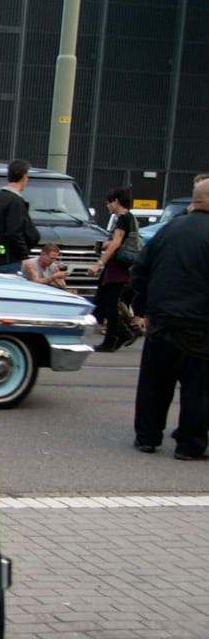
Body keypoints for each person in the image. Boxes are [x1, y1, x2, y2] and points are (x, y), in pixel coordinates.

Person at [128, 176, 209, 460]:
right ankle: (189, 445)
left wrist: (144, 306)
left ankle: (147, 437)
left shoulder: (168, 230)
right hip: (199, 326)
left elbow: (140, 270)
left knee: (154, 384)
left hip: (161, 321)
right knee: (198, 391)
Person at [88, 188, 143, 352]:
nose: (107, 206)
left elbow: (117, 242)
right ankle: (121, 333)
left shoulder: (123, 219)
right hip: (121, 267)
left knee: (110, 304)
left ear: (116, 201)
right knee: (106, 301)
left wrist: (99, 263)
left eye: (109, 202)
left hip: (117, 267)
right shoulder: (130, 218)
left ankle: (114, 338)